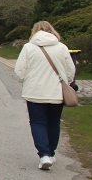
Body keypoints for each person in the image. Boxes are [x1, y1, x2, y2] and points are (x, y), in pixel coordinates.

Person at [13, 21, 75, 170]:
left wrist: (26, 80)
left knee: (37, 123)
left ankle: (44, 154)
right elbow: (70, 70)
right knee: (54, 122)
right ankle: (51, 153)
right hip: (57, 92)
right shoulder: (62, 47)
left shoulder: (29, 48)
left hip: (35, 92)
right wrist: (67, 81)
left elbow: (19, 71)